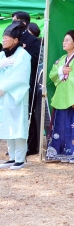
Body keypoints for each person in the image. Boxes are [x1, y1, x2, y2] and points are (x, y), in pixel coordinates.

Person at [47, 30, 74, 163]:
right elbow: (52, 74)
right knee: (61, 126)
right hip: (62, 96)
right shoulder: (60, 60)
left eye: (67, 40)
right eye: (63, 40)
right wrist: (60, 70)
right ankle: (61, 152)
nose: (64, 42)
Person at [0, 23, 32, 169]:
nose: (3, 40)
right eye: (3, 37)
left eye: (6, 37)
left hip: (16, 95)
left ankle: (20, 158)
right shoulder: (2, 54)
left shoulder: (23, 55)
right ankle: (11, 156)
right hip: (3, 96)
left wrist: (2, 88)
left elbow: (19, 77)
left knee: (18, 126)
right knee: (7, 125)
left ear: (15, 40)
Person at [11, 11, 41, 156]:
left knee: (28, 113)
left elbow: (35, 60)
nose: (12, 25)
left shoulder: (33, 41)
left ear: (23, 23)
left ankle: (31, 146)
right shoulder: (12, 39)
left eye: (14, 21)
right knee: (14, 113)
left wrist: (23, 52)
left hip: (28, 82)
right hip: (13, 83)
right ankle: (17, 145)